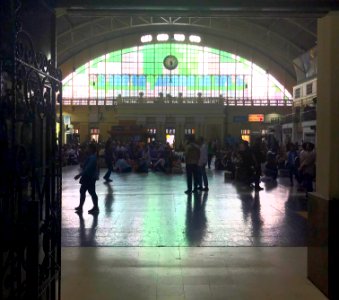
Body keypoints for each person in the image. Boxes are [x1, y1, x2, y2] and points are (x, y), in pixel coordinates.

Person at [74, 143, 99, 214]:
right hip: (88, 177)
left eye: (88, 147)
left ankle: (95, 207)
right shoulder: (91, 157)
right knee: (84, 191)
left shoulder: (92, 158)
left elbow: (88, 169)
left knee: (91, 192)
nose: (86, 149)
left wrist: (79, 175)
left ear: (91, 149)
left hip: (89, 177)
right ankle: (82, 206)